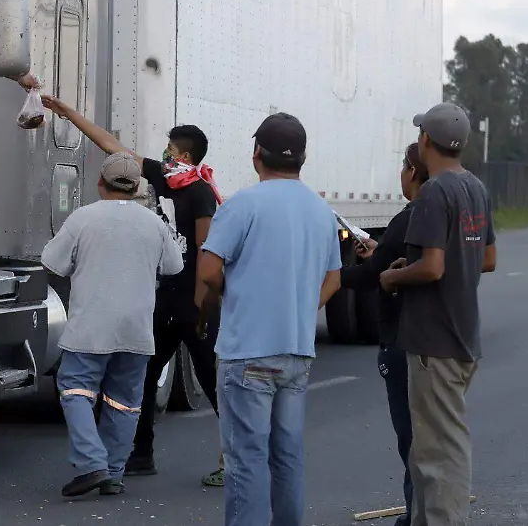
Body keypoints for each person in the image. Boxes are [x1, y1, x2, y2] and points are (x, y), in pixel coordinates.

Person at [40, 95, 227, 486]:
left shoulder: (199, 192)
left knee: (212, 379)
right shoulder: (164, 177)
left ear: (185, 155)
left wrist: (201, 305)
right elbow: (113, 147)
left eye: (171, 148)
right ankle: (139, 455)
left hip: (192, 303)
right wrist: (70, 114)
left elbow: (206, 248)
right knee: (142, 379)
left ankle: (235, 458)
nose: (164, 153)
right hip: (161, 299)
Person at [196, 112, 342, 526]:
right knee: (288, 456)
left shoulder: (242, 204)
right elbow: (334, 278)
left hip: (248, 352)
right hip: (296, 352)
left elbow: (208, 271)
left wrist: (233, 294)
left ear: (256, 153)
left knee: (246, 460)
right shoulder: (321, 210)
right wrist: (299, 307)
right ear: (303, 158)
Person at [379, 103, 497, 526]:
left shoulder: (433, 192)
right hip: (463, 336)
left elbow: (432, 267)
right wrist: (415, 265)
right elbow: (488, 259)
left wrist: (394, 277)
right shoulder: (475, 187)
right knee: (427, 452)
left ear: (426, 139)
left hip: (435, 342)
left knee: (442, 455)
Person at [41, 152, 185, 498]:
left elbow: (52, 261)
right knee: (125, 401)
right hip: (137, 329)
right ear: (137, 188)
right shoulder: (154, 223)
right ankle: (114, 473)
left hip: (90, 327)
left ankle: (92, 464)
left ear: (100, 183)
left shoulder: (83, 218)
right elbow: (174, 266)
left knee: (75, 390)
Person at [340, 142, 429, 526]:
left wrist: (331, 275)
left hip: (401, 339)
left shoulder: (409, 217)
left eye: (403, 167)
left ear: (412, 172)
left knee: (411, 439)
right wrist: (380, 252)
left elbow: (368, 276)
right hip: (430, 338)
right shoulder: (435, 214)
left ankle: (416, 517)